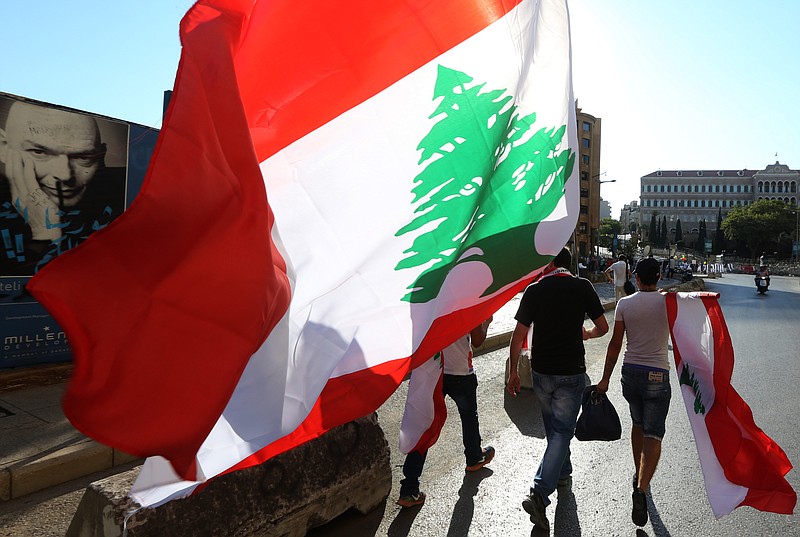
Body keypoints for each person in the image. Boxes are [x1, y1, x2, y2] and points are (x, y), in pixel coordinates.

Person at [507, 248, 609, 532]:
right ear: (569, 265)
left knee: (554, 430)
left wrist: (514, 372)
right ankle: (540, 493)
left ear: (550, 264)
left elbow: (518, 336)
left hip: (541, 374)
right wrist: (585, 333)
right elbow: (603, 327)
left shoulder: (534, 289)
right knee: (562, 432)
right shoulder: (583, 286)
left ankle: (563, 474)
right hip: (571, 373)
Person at [0, 98, 126, 276]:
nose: (65, 175)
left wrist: (46, 231)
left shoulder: (126, 198)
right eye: (39, 152)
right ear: (3, 147)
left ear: (101, 156)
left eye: (83, 157)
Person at [596, 257, 670, 528]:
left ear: (635, 277)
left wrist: (605, 379)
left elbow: (615, 344)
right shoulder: (668, 303)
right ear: (660, 276)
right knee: (654, 433)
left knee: (637, 424)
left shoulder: (624, 304)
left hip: (631, 373)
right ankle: (641, 486)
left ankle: (638, 473)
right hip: (657, 375)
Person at [397, 317, 495, 508]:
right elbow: (477, 340)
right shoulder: (468, 299)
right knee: (468, 417)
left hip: (432, 371)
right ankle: (474, 457)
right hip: (460, 372)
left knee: (424, 425)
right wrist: (486, 322)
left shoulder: (431, 300)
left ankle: (409, 489)